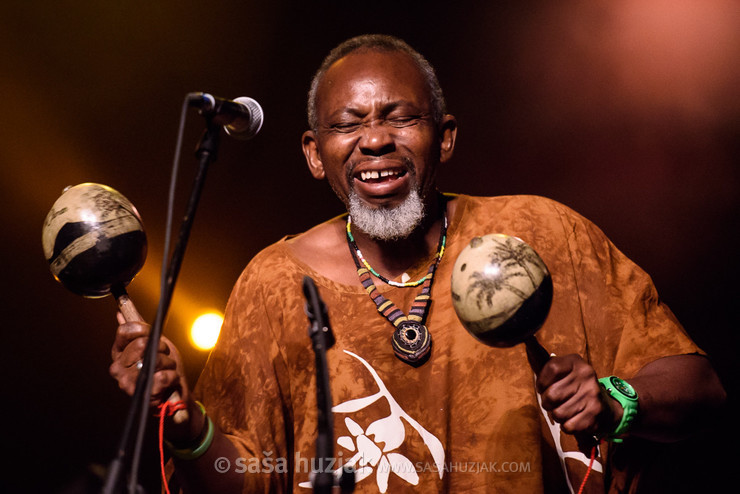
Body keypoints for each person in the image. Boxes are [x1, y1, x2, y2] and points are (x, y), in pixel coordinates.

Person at [110, 34, 726, 493]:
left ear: (446, 137)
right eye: (347, 125)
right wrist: (188, 430)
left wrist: (619, 399)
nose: (374, 139)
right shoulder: (275, 284)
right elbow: (240, 483)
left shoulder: (543, 234)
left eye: (399, 116)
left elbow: (703, 391)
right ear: (314, 155)